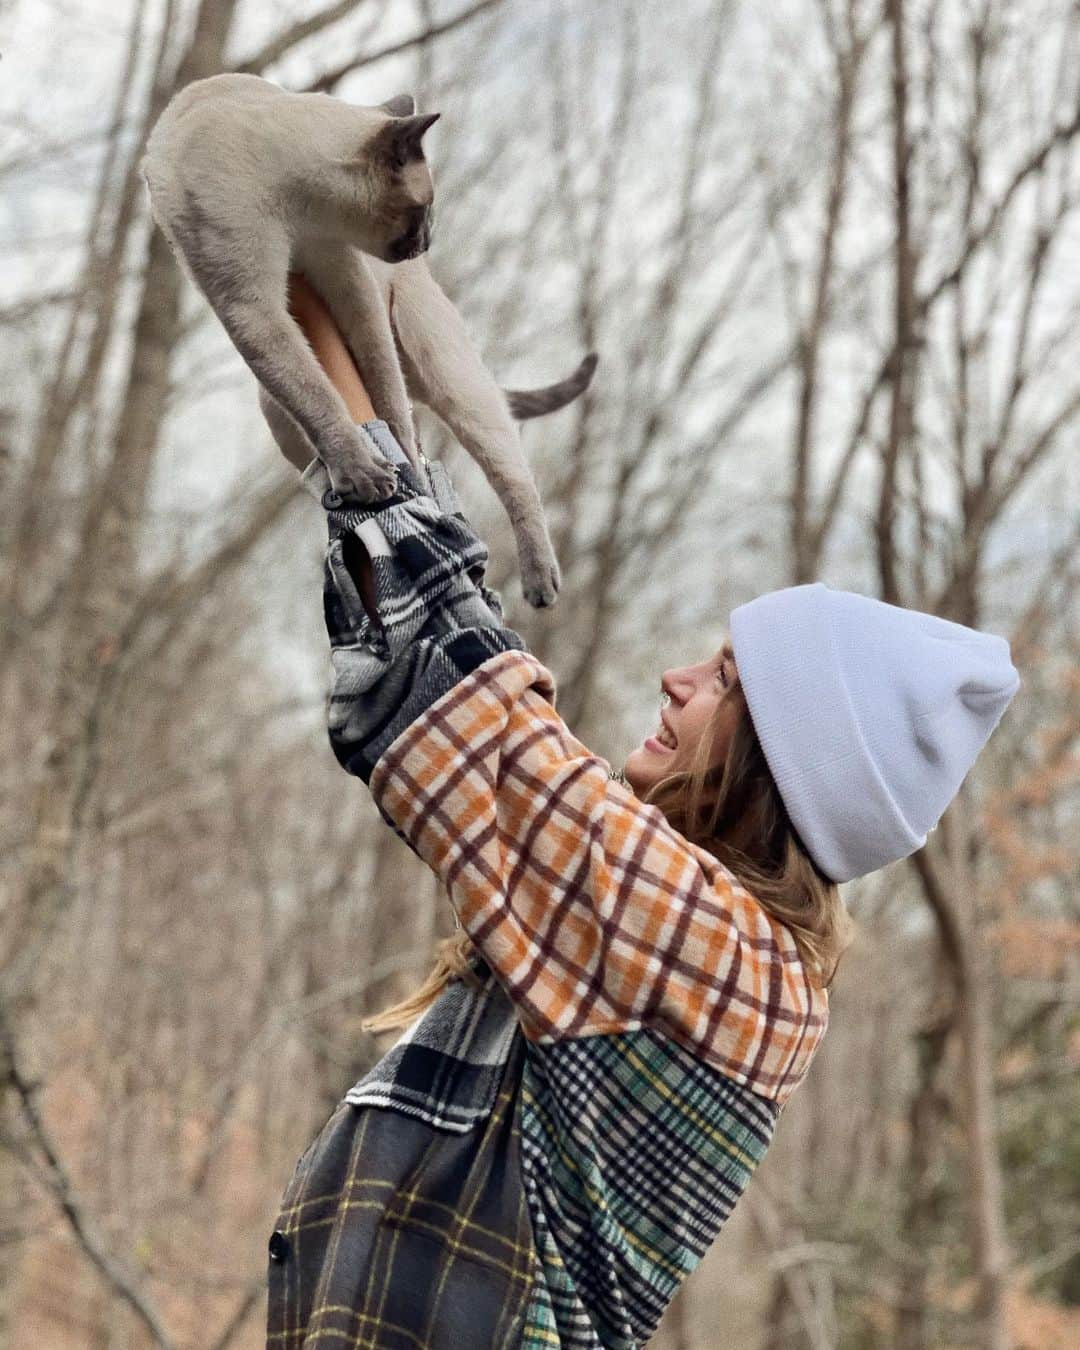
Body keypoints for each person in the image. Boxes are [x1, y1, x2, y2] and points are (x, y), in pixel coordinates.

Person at [264, 275, 1021, 1350]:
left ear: (780, 761)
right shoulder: (654, 940)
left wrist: (313, 308)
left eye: (723, 678)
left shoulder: (736, 972)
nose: (675, 680)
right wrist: (318, 317)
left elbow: (466, 698)